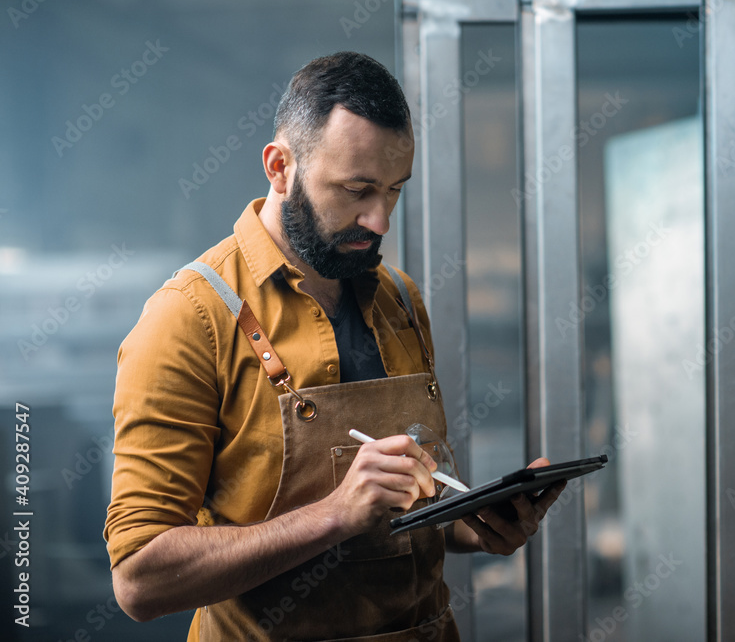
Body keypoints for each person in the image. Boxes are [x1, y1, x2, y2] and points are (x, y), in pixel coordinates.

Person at [104, 51, 566, 641]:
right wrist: (334, 515)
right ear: (279, 167)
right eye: (357, 190)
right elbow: (141, 581)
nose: (379, 222)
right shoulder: (188, 319)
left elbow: (413, 507)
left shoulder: (400, 299)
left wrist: (473, 525)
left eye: (394, 191)